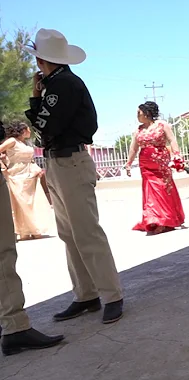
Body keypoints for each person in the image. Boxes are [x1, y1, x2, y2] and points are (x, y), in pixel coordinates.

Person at [24, 28, 124, 324]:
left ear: (42, 59)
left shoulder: (63, 85)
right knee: (70, 233)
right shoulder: (59, 83)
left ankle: (111, 295)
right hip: (59, 161)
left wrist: (35, 99)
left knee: (85, 232)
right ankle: (87, 294)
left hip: (69, 160)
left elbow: (44, 127)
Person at [0, 120, 65, 356]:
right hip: (17, 178)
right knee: (2, 254)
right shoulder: (10, 142)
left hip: (26, 177)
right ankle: (15, 328)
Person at [124, 101, 186, 235]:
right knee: (150, 190)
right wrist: (128, 164)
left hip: (161, 163)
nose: (137, 116)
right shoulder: (138, 130)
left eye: (138, 113)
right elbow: (133, 148)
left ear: (147, 113)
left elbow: (172, 140)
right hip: (145, 165)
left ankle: (167, 219)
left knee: (164, 189)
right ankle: (155, 219)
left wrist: (177, 155)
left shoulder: (162, 125)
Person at [0, 121, 52, 240]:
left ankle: (34, 229)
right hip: (17, 175)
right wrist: (3, 166)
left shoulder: (24, 143)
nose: (29, 131)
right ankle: (24, 231)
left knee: (33, 203)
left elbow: (30, 159)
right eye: (28, 129)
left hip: (30, 175)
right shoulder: (11, 141)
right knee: (22, 203)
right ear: (22, 131)